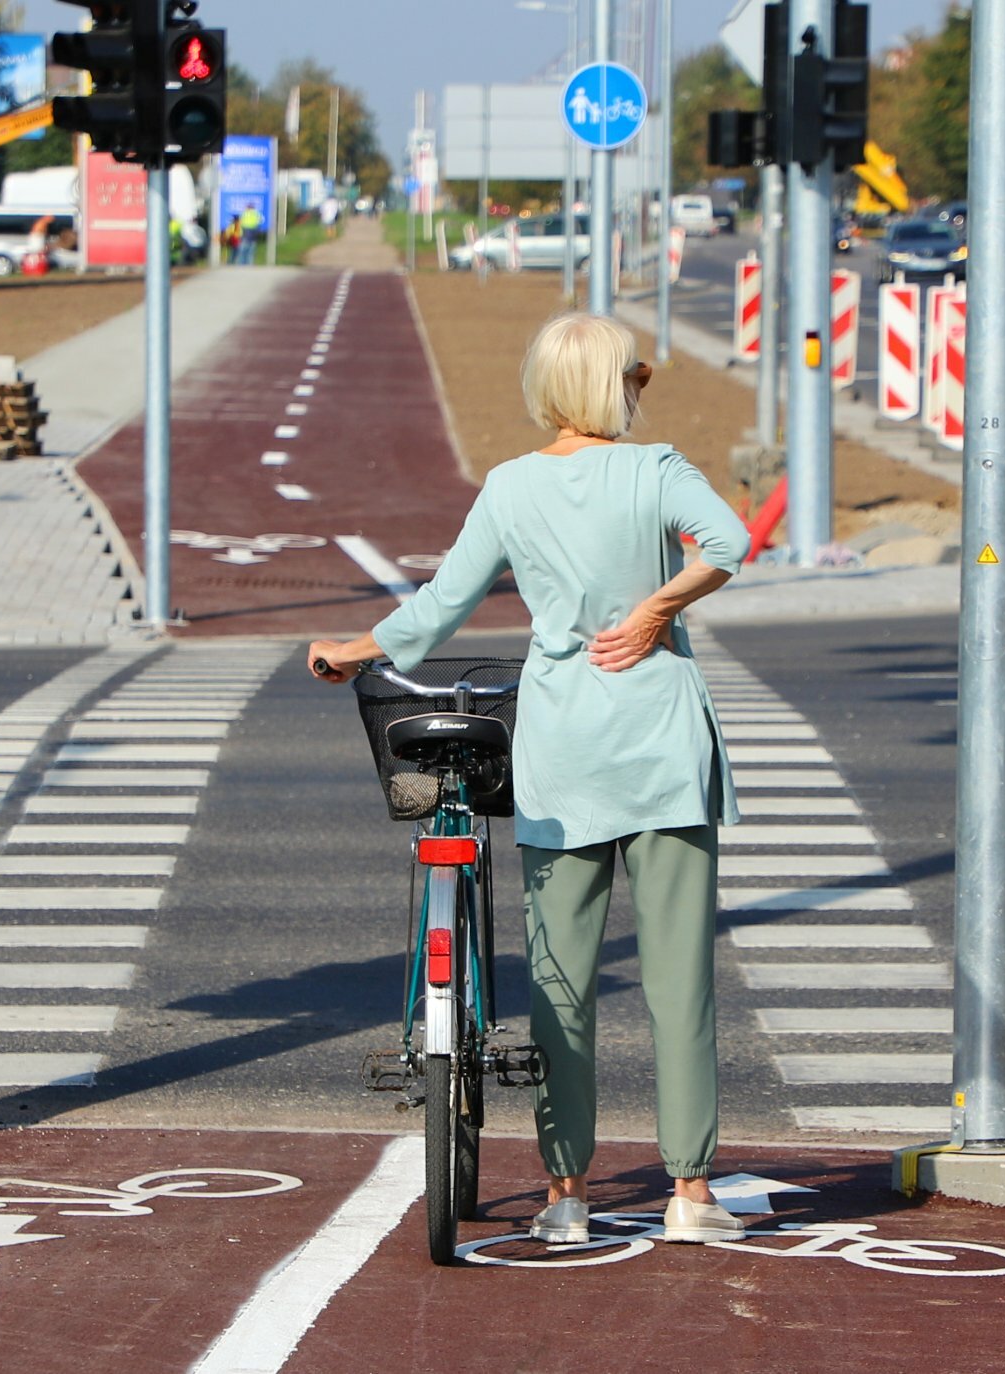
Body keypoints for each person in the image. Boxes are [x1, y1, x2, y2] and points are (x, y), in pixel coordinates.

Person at [308, 313, 752, 1247]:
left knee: (561, 983)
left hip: (564, 753)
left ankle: (564, 1196)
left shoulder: (510, 487)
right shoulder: (659, 470)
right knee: (680, 981)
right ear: (612, 386)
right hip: (663, 741)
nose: (642, 387)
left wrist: (354, 650)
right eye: (636, 373)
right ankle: (691, 1195)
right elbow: (730, 543)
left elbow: (438, 608)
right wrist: (655, 609)